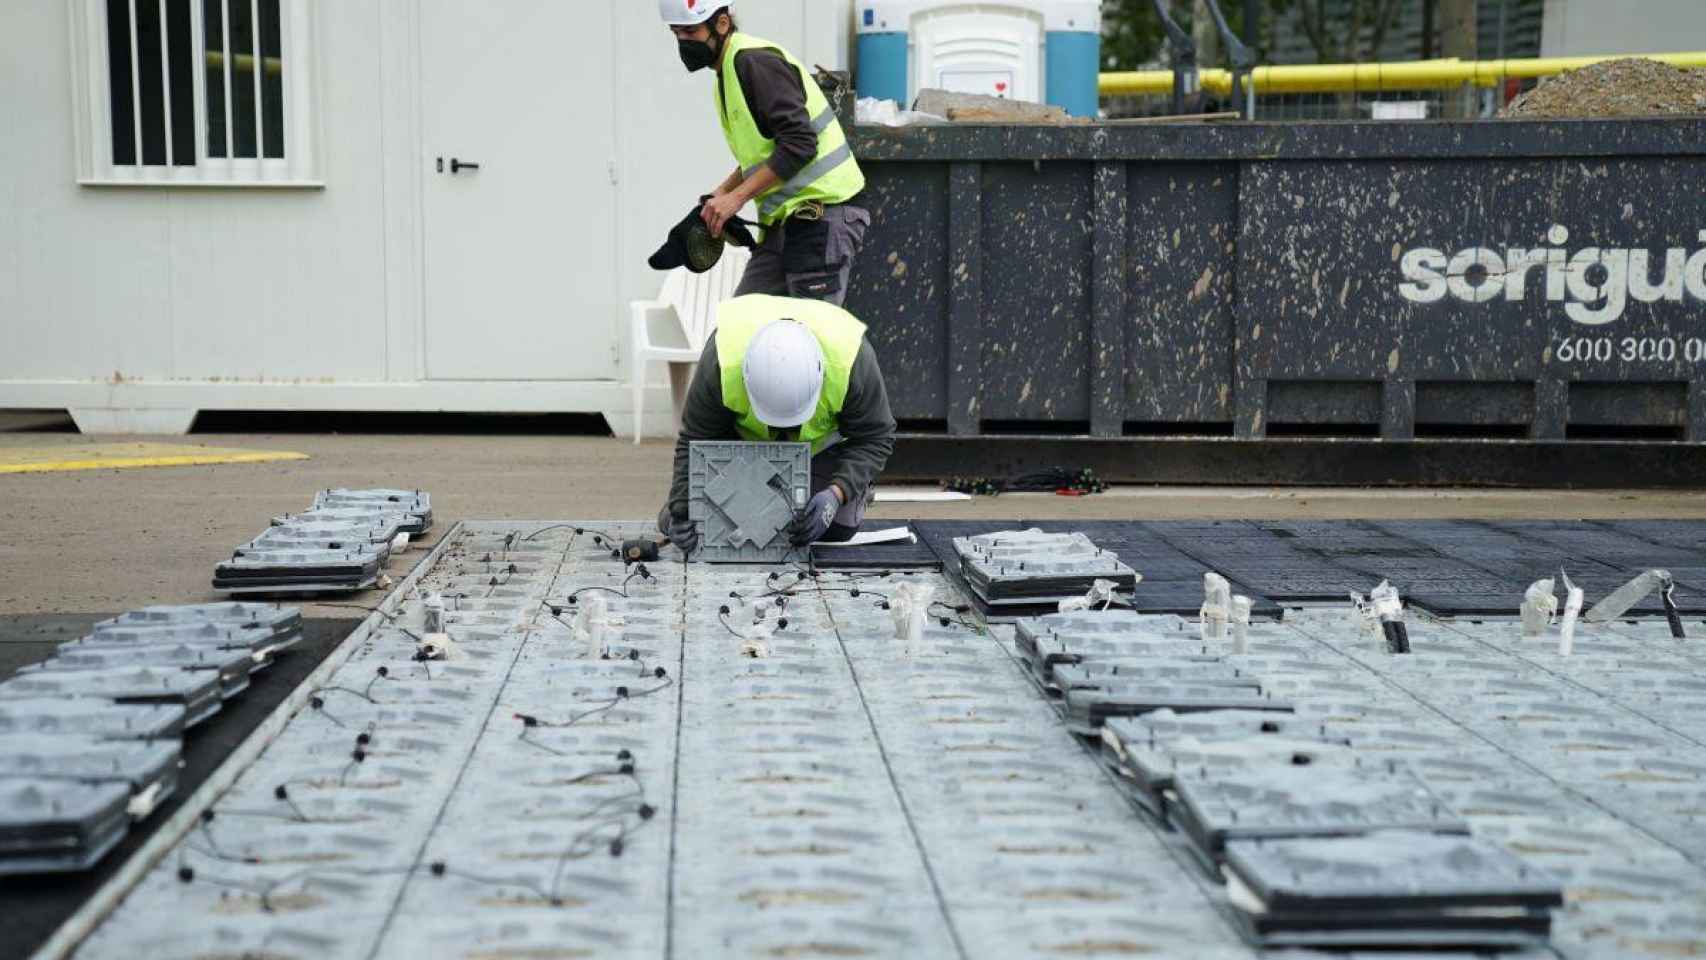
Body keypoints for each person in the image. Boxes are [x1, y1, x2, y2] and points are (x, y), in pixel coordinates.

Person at [660, 1, 871, 305]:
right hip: (788, 225)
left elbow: (800, 144)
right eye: (676, 33)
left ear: (721, 24)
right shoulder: (727, 74)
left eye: (690, 31)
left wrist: (736, 199)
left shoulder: (753, 63)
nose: (683, 41)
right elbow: (761, 155)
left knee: (812, 340)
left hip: (823, 216)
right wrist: (719, 195)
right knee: (740, 331)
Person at [658, 294, 895, 556]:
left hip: (820, 454)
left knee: (837, 528)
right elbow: (694, 439)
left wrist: (838, 493)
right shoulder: (722, 361)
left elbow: (876, 437)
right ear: (746, 377)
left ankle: (851, 493)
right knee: (686, 523)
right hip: (743, 452)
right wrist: (681, 510)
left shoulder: (852, 361)